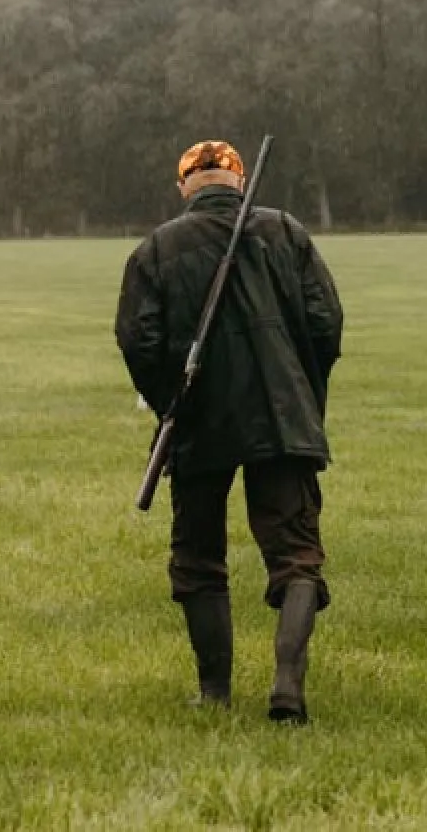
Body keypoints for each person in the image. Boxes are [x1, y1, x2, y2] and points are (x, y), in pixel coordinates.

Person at [114, 140, 344, 721]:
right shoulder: (287, 233)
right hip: (280, 412)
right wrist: (303, 392)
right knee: (296, 558)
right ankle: (288, 689)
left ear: (184, 187)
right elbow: (326, 323)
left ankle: (214, 694)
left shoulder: (157, 249)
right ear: (237, 181)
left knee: (197, 559)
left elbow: (136, 340)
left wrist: (173, 400)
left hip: (198, 421)